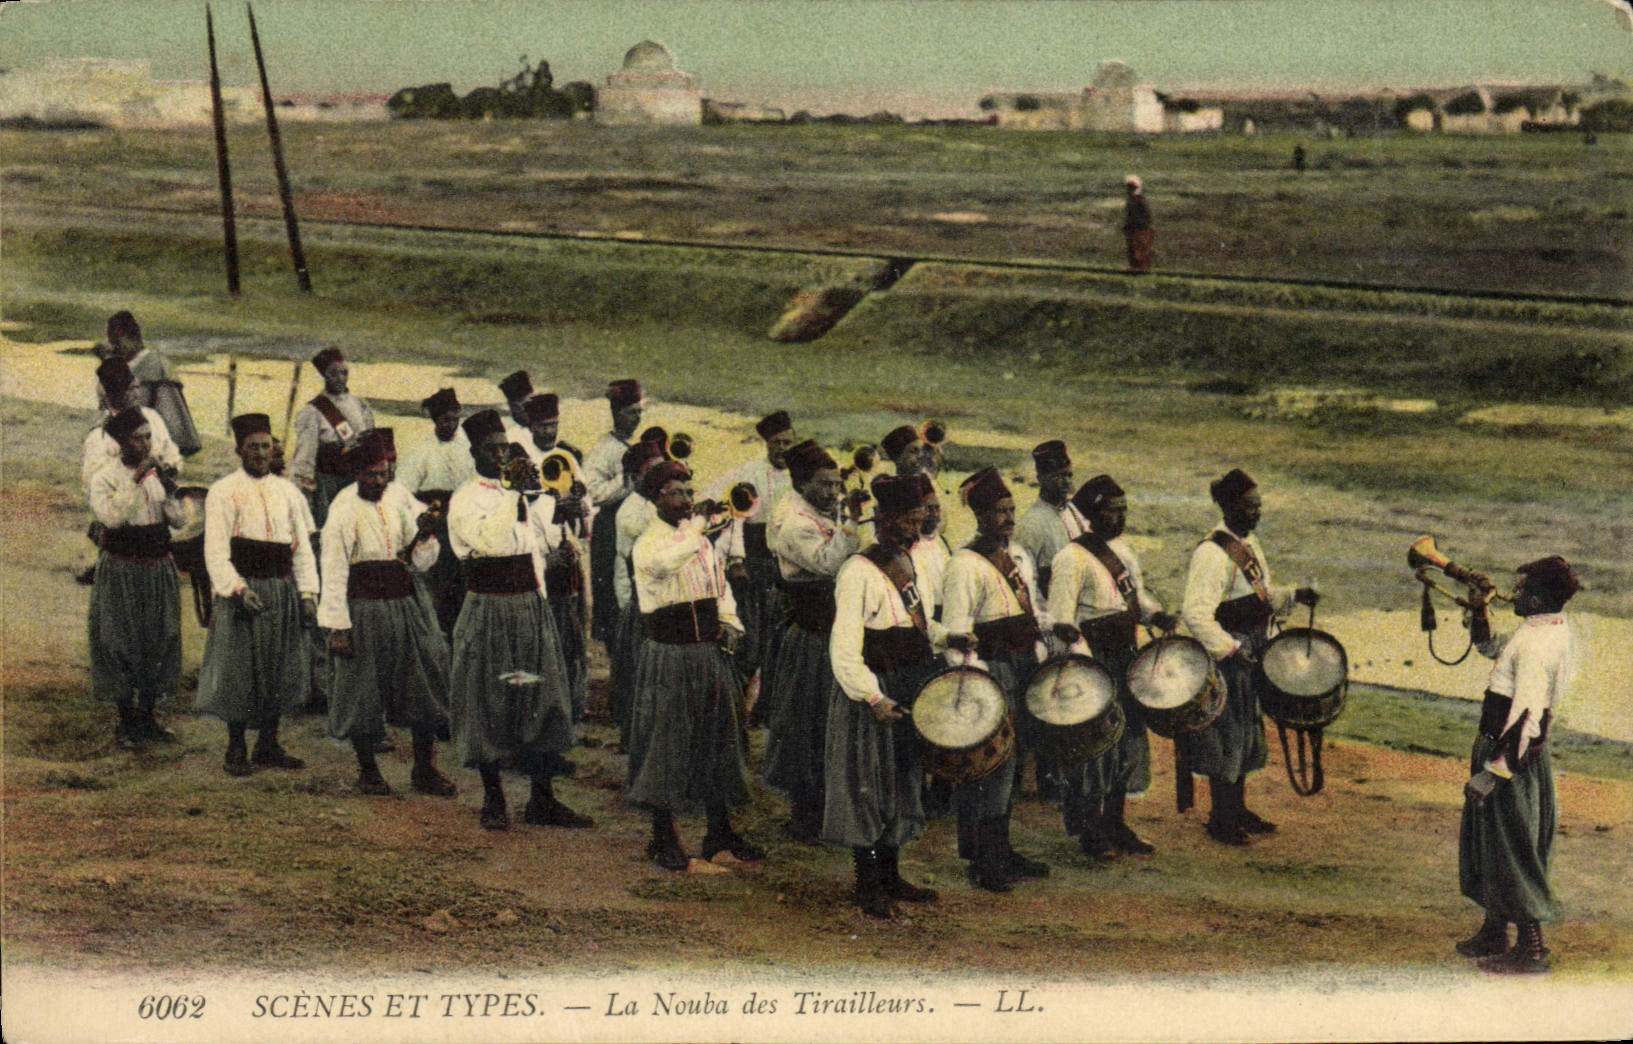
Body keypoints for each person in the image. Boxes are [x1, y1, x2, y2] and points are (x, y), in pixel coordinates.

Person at [446, 409, 592, 832]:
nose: (500, 455)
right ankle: (494, 798)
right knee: (489, 698)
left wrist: (560, 505)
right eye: (490, 450)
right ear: (473, 453)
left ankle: (542, 799)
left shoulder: (526, 496)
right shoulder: (466, 499)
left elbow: (539, 546)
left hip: (528, 603)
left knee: (542, 696)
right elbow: (490, 541)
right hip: (489, 607)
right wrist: (518, 496)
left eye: (504, 448)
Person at [628, 461, 764, 870]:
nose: (686, 501)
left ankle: (719, 832)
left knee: (719, 739)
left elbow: (718, 586)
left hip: (707, 651)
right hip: (670, 654)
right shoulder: (650, 543)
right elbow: (665, 564)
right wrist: (699, 527)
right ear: (656, 499)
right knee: (667, 743)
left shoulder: (699, 540)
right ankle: (662, 837)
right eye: (676, 493)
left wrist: (731, 622)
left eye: (689, 493)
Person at [1455, 556, 1580, 975]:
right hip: (1518, 754)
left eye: (1522, 589)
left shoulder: (1535, 644)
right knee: (1495, 841)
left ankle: (1532, 949)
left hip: (1509, 754)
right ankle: (1495, 931)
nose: (1515, 593)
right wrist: (1479, 609)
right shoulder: (1545, 628)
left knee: (1511, 847)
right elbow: (1493, 648)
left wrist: (1494, 772)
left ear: (1540, 597)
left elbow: (1528, 714)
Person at [826, 474, 944, 919]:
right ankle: (866, 882)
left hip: (908, 683)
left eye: (920, 521)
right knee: (867, 785)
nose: (917, 531)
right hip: (873, 693)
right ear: (886, 521)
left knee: (901, 782)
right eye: (909, 523)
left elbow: (922, 626)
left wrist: (952, 638)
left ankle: (892, 874)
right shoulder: (857, 571)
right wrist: (872, 698)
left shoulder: (911, 564)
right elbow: (844, 650)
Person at [1179, 469, 1317, 845]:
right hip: (1231, 653)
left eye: (1258, 505)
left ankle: (1237, 809)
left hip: (1252, 647)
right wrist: (1231, 650)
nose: (1256, 512)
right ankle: (1221, 818)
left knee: (1245, 731)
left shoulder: (1250, 543)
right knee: (1227, 734)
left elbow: (1262, 596)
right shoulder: (1211, 553)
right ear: (1229, 506)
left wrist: (1295, 594)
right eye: (1249, 505)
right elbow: (1195, 614)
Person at [319, 429, 456, 798]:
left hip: (407, 602)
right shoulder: (342, 509)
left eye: (384, 473)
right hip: (363, 607)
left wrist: (426, 536)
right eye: (371, 475)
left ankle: (424, 768)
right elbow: (332, 571)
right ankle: (368, 771)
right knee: (362, 687)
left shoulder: (398, 496)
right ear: (357, 474)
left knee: (424, 678)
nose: (379, 481)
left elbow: (422, 557)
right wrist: (338, 627)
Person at [1049, 475, 1179, 859]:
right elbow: (1061, 622)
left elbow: (1135, 597)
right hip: (1094, 666)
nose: (1120, 517)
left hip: (1127, 658)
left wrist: (1156, 616)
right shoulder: (1071, 557)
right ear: (1092, 514)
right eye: (1111, 510)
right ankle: (1091, 830)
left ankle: (1116, 823)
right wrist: (1087, 664)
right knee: (1095, 747)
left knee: (1127, 741)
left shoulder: (1122, 550)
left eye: (1124, 509)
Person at [940, 468, 1052, 892]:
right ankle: (982, 858)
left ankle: (1002, 848)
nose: (1007, 518)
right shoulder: (965, 564)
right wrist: (978, 683)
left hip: (1023, 666)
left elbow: (1036, 610)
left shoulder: (1019, 557)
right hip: (991, 671)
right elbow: (956, 632)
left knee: (1016, 759)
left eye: (1011, 510)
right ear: (980, 516)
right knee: (990, 764)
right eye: (998, 511)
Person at [195, 414, 320, 776]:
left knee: (279, 665)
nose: (261, 453)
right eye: (253, 446)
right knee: (240, 668)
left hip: (281, 589)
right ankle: (236, 746)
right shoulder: (223, 491)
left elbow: (302, 550)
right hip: (244, 589)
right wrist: (237, 589)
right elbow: (216, 552)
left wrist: (307, 593)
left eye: (266, 446)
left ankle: (268, 742)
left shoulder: (289, 492)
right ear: (239, 450)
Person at [762, 439, 864, 844]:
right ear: (802, 483)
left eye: (837, 484)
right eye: (824, 485)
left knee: (826, 723)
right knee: (807, 724)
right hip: (811, 635)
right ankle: (804, 815)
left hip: (829, 631)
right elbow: (828, 561)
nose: (833, 493)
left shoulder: (813, 511)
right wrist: (852, 522)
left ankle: (822, 810)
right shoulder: (793, 522)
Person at [85, 406, 185, 749]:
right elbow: (113, 518)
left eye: (148, 437)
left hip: (157, 565)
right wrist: (136, 480)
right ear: (121, 442)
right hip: (123, 568)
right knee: (120, 640)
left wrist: (170, 490)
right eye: (137, 438)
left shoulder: (156, 474)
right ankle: (125, 721)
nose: (145, 444)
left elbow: (178, 520)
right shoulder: (105, 477)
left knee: (159, 638)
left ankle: (148, 717)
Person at [704, 410, 797, 715]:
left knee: (781, 635)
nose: (783, 449)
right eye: (777, 444)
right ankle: (737, 701)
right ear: (767, 444)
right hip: (753, 561)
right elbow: (730, 514)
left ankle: (769, 704)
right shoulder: (749, 473)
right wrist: (736, 559)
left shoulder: (799, 476)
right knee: (752, 638)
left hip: (786, 560)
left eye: (788, 443)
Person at [518, 392, 593, 723]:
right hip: (542, 558)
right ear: (531, 425)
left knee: (574, 637)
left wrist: (577, 509)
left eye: (554, 425)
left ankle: (571, 709)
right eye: (543, 426)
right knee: (546, 640)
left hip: (569, 557)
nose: (549, 432)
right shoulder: (522, 456)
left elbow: (585, 502)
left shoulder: (566, 456)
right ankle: (546, 713)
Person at [395, 387, 474, 639]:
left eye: (454, 419)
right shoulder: (421, 453)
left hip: (464, 523)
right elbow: (402, 492)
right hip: (437, 526)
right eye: (444, 420)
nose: (450, 425)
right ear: (435, 421)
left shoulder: (468, 449)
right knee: (439, 585)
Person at [609, 439, 668, 748]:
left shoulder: (656, 501)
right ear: (633, 478)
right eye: (651, 471)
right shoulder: (632, 511)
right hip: (641, 599)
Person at [585, 379, 644, 645]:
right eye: (631, 412)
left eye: (639, 412)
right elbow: (593, 492)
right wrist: (625, 480)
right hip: (610, 525)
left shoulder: (639, 445)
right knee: (611, 589)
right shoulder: (603, 450)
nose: (637, 418)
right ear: (616, 414)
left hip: (635, 522)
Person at [291, 347, 374, 529]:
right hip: (328, 483)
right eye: (333, 374)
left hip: (355, 479)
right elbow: (305, 456)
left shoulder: (359, 405)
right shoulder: (313, 412)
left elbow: (370, 439)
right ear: (324, 375)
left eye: (344, 373)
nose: (340, 378)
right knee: (329, 526)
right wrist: (303, 488)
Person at [104, 310, 201, 457]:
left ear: (133, 338)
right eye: (113, 343)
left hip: (160, 434)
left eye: (119, 342)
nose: (116, 348)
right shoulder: (127, 362)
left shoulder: (155, 364)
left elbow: (170, 416)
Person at [1014, 440, 1083, 600]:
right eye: (1058, 477)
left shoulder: (1074, 513)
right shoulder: (1031, 524)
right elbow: (1027, 582)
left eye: (1068, 475)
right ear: (1041, 479)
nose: (1066, 482)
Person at [1123, 175, 1153, 273]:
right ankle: (1137, 267)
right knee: (1134, 248)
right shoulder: (1134, 199)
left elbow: (1143, 215)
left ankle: (1140, 268)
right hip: (1136, 228)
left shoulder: (1138, 200)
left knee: (1139, 248)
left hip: (1139, 228)